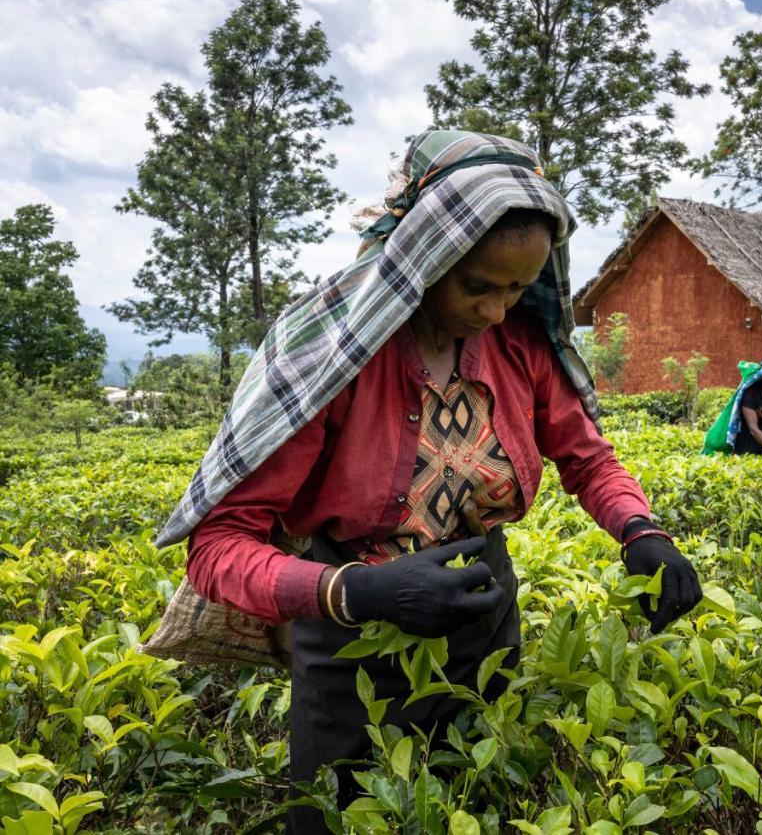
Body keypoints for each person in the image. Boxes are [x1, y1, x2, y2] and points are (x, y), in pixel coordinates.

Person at [151, 130, 703, 831]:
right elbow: (217, 544)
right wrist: (354, 590)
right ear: (424, 259)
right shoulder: (339, 360)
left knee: (475, 802)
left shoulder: (519, 346)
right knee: (335, 815)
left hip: (483, 623)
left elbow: (587, 457)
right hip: (352, 634)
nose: (499, 309)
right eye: (478, 286)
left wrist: (640, 529)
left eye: (518, 288)